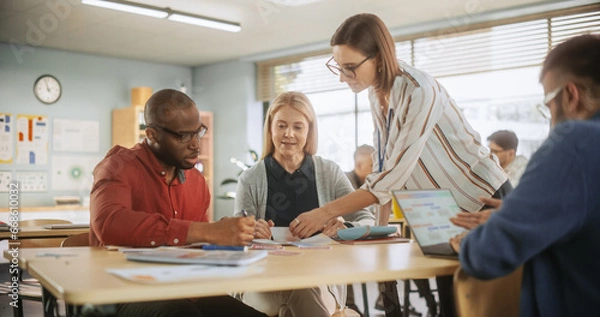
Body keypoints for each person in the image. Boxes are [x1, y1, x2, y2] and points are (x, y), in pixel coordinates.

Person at [289, 13, 512, 317]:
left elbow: (392, 176)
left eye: (350, 68)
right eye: (338, 67)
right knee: (454, 304)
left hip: (483, 201)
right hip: (443, 210)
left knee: (489, 305)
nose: (343, 77)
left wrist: (324, 212)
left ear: (379, 58)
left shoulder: (419, 90)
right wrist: (380, 234)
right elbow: (382, 165)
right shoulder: (376, 94)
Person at [450, 34, 600, 317]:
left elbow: (488, 254)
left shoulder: (576, 141)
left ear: (570, 95)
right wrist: (519, 214)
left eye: (547, 103)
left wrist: (467, 240)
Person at [90, 89, 267, 317]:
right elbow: (109, 224)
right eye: (184, 136)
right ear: (152, 135)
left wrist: (227, 237)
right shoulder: (117, 167)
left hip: (183, 289)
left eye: (198, 132)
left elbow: (197, 246)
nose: (196, 145)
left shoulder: (197, 181)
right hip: (120, 294)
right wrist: (204, 231)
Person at [233, 91, 375, 317]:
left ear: (309, 131)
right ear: (270, 128)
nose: (288, 134)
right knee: (299, 289)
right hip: (263, 281)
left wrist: (344, 229)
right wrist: (251, 232)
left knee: (302, 288)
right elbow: (236, 240)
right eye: (281, 126)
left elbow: (367, 219)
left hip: (320, 280)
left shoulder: (329, 172)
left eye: (298, 127)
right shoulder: (250, 179)